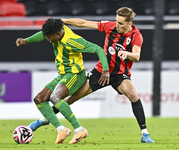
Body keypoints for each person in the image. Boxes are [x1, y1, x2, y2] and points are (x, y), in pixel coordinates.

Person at [28, 7, 154, 143]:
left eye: (121, 23)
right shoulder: (110, 26)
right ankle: (43, 120)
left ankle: (145, 134)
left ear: (129, 24)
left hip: (119, 74)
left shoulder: (136, 36)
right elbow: (83, 23)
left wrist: (127, 54)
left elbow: (136, 56)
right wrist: (64, 20)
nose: (117, 25)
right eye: (116, 21)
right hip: (100, 72)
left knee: (133, 94)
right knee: (70, 99)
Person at [16, 18, 110, 144]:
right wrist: (27, 40)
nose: (48, 39)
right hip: (63, 75)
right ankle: (61, 129)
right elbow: (42, 35)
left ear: (58, 34)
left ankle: (79, 129)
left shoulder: (73, 41)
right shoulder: (56, 30)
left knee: (55, 98)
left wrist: (105, 70)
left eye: (50, 37)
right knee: (39, 99)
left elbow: (98, 49)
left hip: (75, 75)